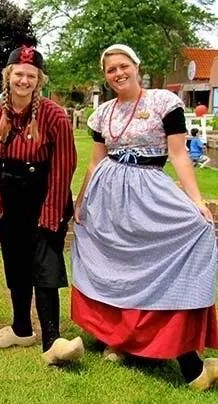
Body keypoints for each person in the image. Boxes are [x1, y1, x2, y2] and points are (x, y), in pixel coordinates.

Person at [71, 44, 218, 391]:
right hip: (107, 195)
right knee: (117, 266)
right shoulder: (102, 113)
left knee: (168, 251)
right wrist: (80, 201)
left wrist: (196, 200)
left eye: (124, 66)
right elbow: (94, 162)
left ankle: (181, 355)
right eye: (111, 70)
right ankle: (120, 340)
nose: (118, 73)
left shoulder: (165, 103)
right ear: (105, 76)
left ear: (137, 66)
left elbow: (180, 155)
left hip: (148, 192)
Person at [0, 45, 83, 365]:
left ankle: (52, 340)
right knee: (16, 264)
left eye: (30, 76)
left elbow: (65, 165)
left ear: (39, 80)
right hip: (9, 199)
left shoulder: (54, 115)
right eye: (18, 74)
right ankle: (21, 329)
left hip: (45, 196)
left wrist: (51, 210)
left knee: (45, 265)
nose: (24, 80)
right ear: (8, 77)